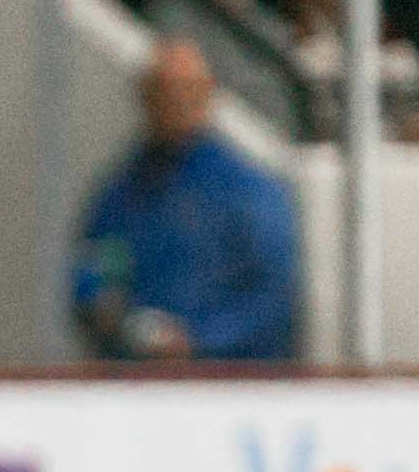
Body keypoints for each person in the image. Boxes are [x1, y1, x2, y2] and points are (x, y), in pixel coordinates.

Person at [70, 36, 300, 360]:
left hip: (225, 388)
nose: (174, 103)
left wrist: (199, 339)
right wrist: (106, 311)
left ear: (207, 94)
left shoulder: (247, 191)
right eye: (162, 91)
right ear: (145, 97)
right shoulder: (120, 195)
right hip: (137, 384)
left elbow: (276, 299)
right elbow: (93, 268)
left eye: (186, 91)